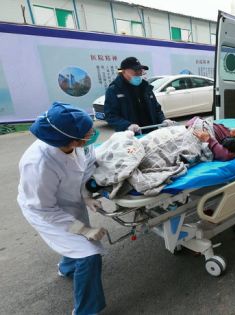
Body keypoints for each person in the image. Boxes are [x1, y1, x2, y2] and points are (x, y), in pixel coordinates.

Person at [18, 102, 107, 315]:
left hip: (71, 200)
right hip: (46, 211)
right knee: (88, 252)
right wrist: (84, 230)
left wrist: (86, 196)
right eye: (88, 133)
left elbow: (87, 163)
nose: (92, 134)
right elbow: (44, 209)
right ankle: (85, 310)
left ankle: (66, 268)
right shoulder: (39, 164)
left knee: (74, 244)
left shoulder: (79, 143)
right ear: (71, 140)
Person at [104, 57, 174, 133]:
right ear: (123, 72)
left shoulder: (146, 87)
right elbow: (110, 115)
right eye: (135, 71)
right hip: (129, 135)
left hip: (151, 132)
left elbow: (156, 108)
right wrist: (127, 125)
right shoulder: (114, 90)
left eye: (140, 71)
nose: (138, 73)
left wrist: (163, 119)